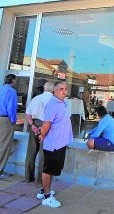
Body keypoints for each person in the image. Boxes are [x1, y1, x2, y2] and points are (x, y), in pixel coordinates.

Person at [37, 80, 73, 208]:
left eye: (65, 89)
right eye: (61, 89)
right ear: (55, 91)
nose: (64, 92)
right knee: (48, 169)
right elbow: (46, 124)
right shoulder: (52, 104)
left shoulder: (63, 103)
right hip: (53, 144)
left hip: (60, 143)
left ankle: (43, 191)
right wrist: (42, 135)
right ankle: (47, 197)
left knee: (52, 169)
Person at [24, 81, 54, 183]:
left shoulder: (36, 98)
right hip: (47, 126)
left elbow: (28, 114)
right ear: (54, 90)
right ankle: (41, 180)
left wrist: (32, 125)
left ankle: (28, 177)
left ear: (44, 88)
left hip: (34, 124)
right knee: (44, 154)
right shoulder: (54, 100)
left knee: (31, 152)